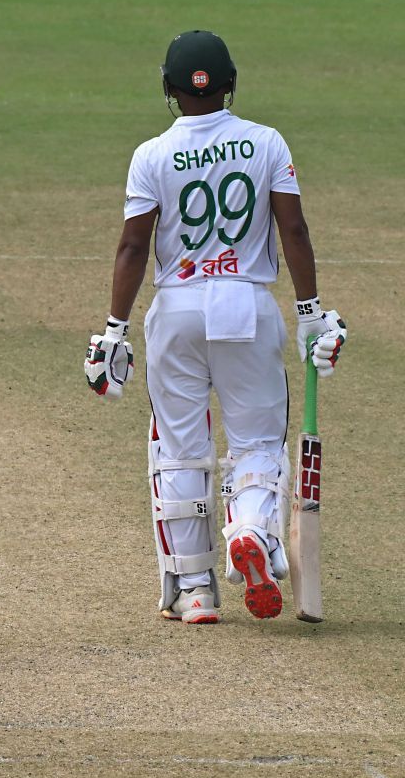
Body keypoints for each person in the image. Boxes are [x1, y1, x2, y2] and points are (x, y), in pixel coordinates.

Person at [84, 31, 347, 624]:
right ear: (229, 84)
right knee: (256, 442)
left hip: (176, 310)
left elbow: (132, 246)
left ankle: (195, 590)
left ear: (170, 90)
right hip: (246, 306)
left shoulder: (151, 154)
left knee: (179, 451)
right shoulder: (266, 143)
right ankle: (250, 531)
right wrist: (311, 314)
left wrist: (112, 331)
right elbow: (294, 232)